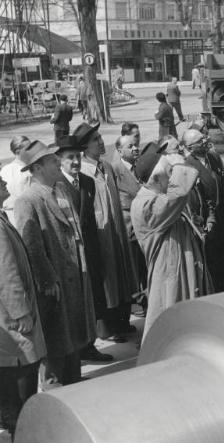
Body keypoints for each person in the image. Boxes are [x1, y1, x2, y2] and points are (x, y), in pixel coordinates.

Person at [14, 140, 96, 385]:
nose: (58, 162)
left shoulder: (61, 189)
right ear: (37, 168)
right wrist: (47, 279)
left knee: (73, 342)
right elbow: (32, 246)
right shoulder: (28, 200)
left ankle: (74, 391)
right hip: (56, 284)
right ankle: (55, 394)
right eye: (52, 161)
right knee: (57, 347)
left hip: (75, 278)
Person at [131, 142, 212, 340]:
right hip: (169, 277)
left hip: (181, 271)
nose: (172, 177)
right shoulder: (145, 204)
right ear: (157, 179)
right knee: (168, 331)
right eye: (169, 173)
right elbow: (179, 194)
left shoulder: (158, 194)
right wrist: (179, 165)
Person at [76, 122, 138, 341]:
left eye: (100, 137)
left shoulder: (107, 167)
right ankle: (106, 328)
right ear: (84, 147)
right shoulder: (83, 172)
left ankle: (122, 321)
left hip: (116, 228)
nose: (101, 142)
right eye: (96, 140)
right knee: (105, 279)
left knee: (121, 274)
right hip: (99, 233)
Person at [55, 135, 112, 362]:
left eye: (78, 157)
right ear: (60, 161)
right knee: (75, 303)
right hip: (70, 256)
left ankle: (89, 345)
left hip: (91, 251)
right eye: (70, 158)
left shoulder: (87, 182)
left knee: (93, 299)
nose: (76, 162)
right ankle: (76, 349)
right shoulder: (57, 185)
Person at [0, 175, 46, 439]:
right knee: (21, 382)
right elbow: (6, 275)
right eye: (0, 183)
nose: (6, 185)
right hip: (13, 323)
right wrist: (21, 314)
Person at [181, 129, 224, 293]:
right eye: (200, 140)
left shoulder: (213, 157)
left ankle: (221, 284)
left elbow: (223, 181)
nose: (206, 140)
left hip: (221, 215)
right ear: (190, 147)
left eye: (204, 137)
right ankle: (212, 289)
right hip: (206, 219)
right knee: (209, 256)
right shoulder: (187, 164)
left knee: (222, 253)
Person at [109, 135, 147, 311]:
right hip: (128, 228)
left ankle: (147, 299)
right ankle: (137, 301)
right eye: (130, 146)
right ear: (119, 150)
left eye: (136, 145)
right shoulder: (115, 171)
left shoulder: (141, 167)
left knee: (146, 266)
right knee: (133, 269)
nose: (135, 148)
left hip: (146, 227)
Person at [0, 136, 31, 224]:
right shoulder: (7, 170)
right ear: (18, 152)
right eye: (28, 148)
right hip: (18, 215)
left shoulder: (5, 168)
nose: (31, 151)